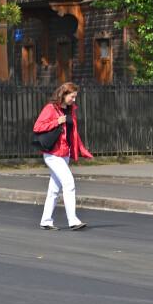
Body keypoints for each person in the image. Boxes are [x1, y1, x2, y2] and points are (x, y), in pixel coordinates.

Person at [33, 81, 94, 230]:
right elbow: (37, 127)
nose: (74, 100)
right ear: (64, 94)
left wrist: (82, 150)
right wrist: (56, 122)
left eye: (75, 97)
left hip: (64, 154)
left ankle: (46, 221)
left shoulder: (71, 111)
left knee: (54, 189)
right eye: (72, 97)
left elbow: (74, 134)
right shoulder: (51, 108)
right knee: (69, 183)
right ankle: (73, 220)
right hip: (52, 154)